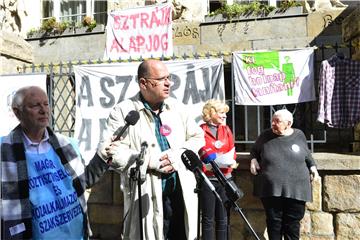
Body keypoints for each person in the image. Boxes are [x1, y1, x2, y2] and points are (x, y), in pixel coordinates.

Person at [98, 59, 205, 240]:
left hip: (181, 195)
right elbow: (109, 151)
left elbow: (197, 137)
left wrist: (178, 155)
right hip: (147, 195)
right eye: (162, 79)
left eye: (169, 78)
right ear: (143, 83)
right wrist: (150, 161)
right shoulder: (123, 112)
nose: (168, 83)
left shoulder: (177, 108)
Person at [1, 86, 111, 239]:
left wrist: (102, 157)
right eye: (35, 105)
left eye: (46, 104)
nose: (43, 110)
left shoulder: (66, 144)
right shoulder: (4, 152)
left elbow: (82, 182)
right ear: (17, 112)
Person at [249, 109, 320, 240]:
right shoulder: (265, 135)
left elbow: (306, 153)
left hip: (297, 188)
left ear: (289, 123)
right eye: (272, 120)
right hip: (271, 188)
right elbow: (254, 150)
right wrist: (253, 160)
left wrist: (313, 167)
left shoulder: (299, 134)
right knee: (274, 222)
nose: (273, 124)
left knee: (292, 223)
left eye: (277, 121)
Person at [199, 99, 237, 240]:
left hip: (225, 178)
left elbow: (232, 150)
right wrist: (213, 157)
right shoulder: (200, 130)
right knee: (208, 218)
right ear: (211, 113)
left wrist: (229, 160)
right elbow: (201, 151)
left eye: (225, 113)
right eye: (221, 113)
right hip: (208, 179)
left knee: (223, 218)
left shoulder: (226, 130)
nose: (224, 116)